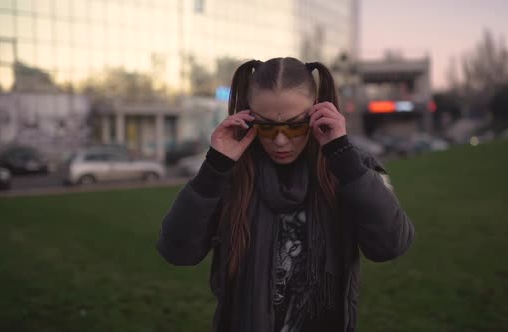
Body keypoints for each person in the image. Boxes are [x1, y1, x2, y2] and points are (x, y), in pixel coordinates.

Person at [157, 57, 415, 332]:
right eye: (266, 127)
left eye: (295, 125)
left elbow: (392, 244)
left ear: (318, 112)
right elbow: (177, 252)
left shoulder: (352, 167)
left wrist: (345, 160)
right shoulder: (230, 173)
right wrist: (214, 169)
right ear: (248, 116)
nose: (280, 140)